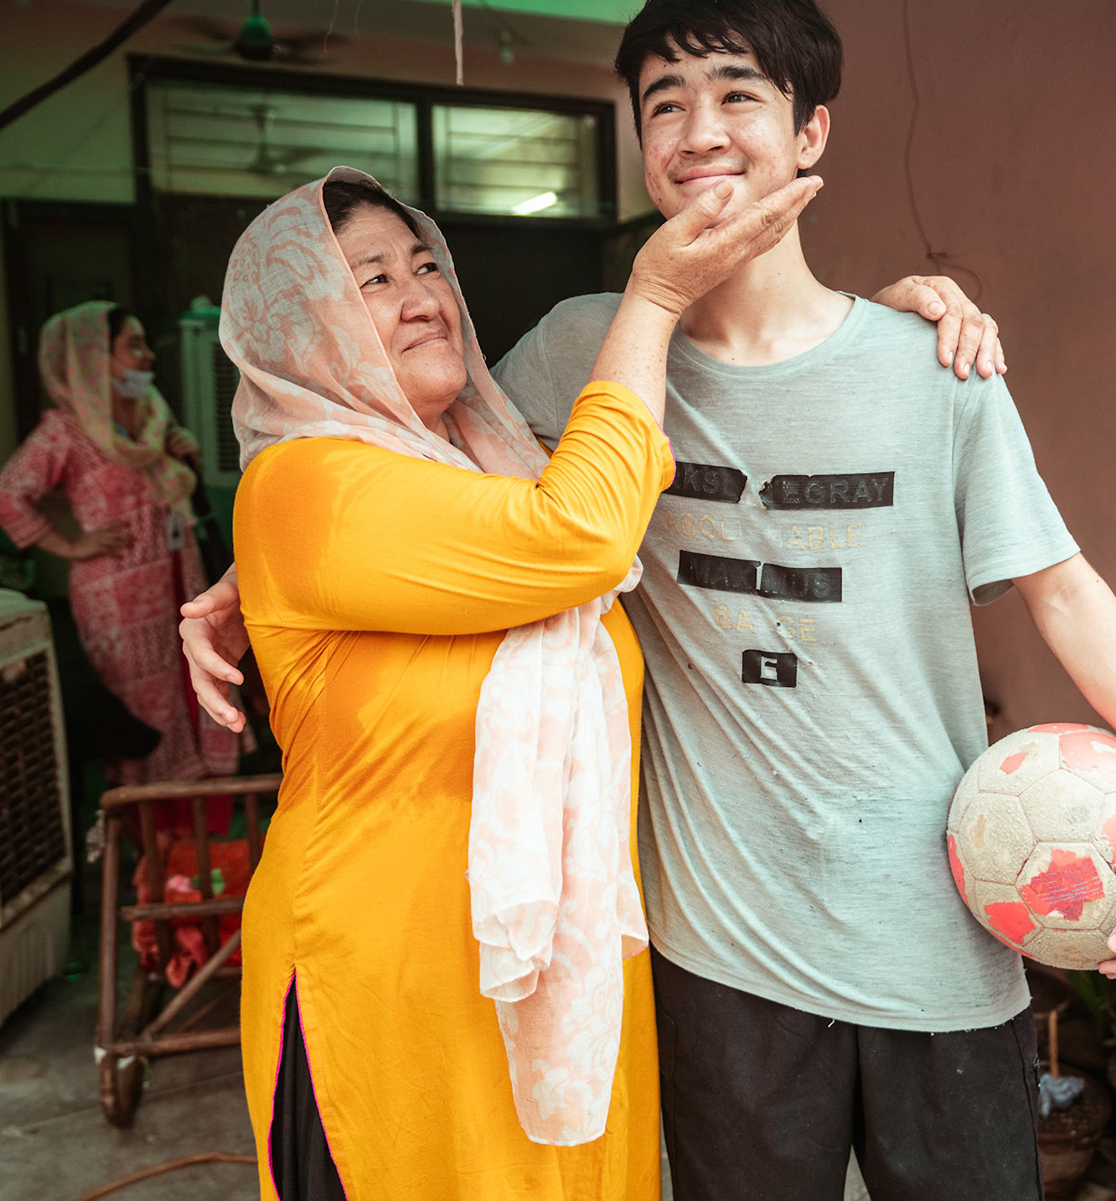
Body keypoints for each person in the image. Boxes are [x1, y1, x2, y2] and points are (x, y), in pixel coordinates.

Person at [192, 0, 1116, 1201]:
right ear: (641, 148)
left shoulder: (931, 365)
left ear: (811, 132)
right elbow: (436, 471)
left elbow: (1062, 588)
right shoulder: (585, 350)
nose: (700, 131)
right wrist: (238, 573)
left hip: (939, 931)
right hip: (715, 952)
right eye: (664, 104)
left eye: (739, 94)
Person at [225, 166, 820, 1201]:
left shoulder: (486, 469)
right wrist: (655, 296)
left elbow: (609, 474)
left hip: (564, 967)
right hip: (393, 977)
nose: (422, 295)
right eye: (370, 280)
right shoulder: (303, 486)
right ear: (300, 326)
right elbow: (584, 535)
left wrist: (892, 309)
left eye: (425, 266)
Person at [0, 302, 246, 790]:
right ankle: (152, 837)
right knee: (142, 707)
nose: (147, 357)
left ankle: (194, 839)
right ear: (92, 359)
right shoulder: (66, 431)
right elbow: (5, 496)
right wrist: (71, 545)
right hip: (117, 600)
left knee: (194, 687)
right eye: (133, 347)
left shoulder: (153, 420)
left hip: (179, 581)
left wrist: (182, 458)